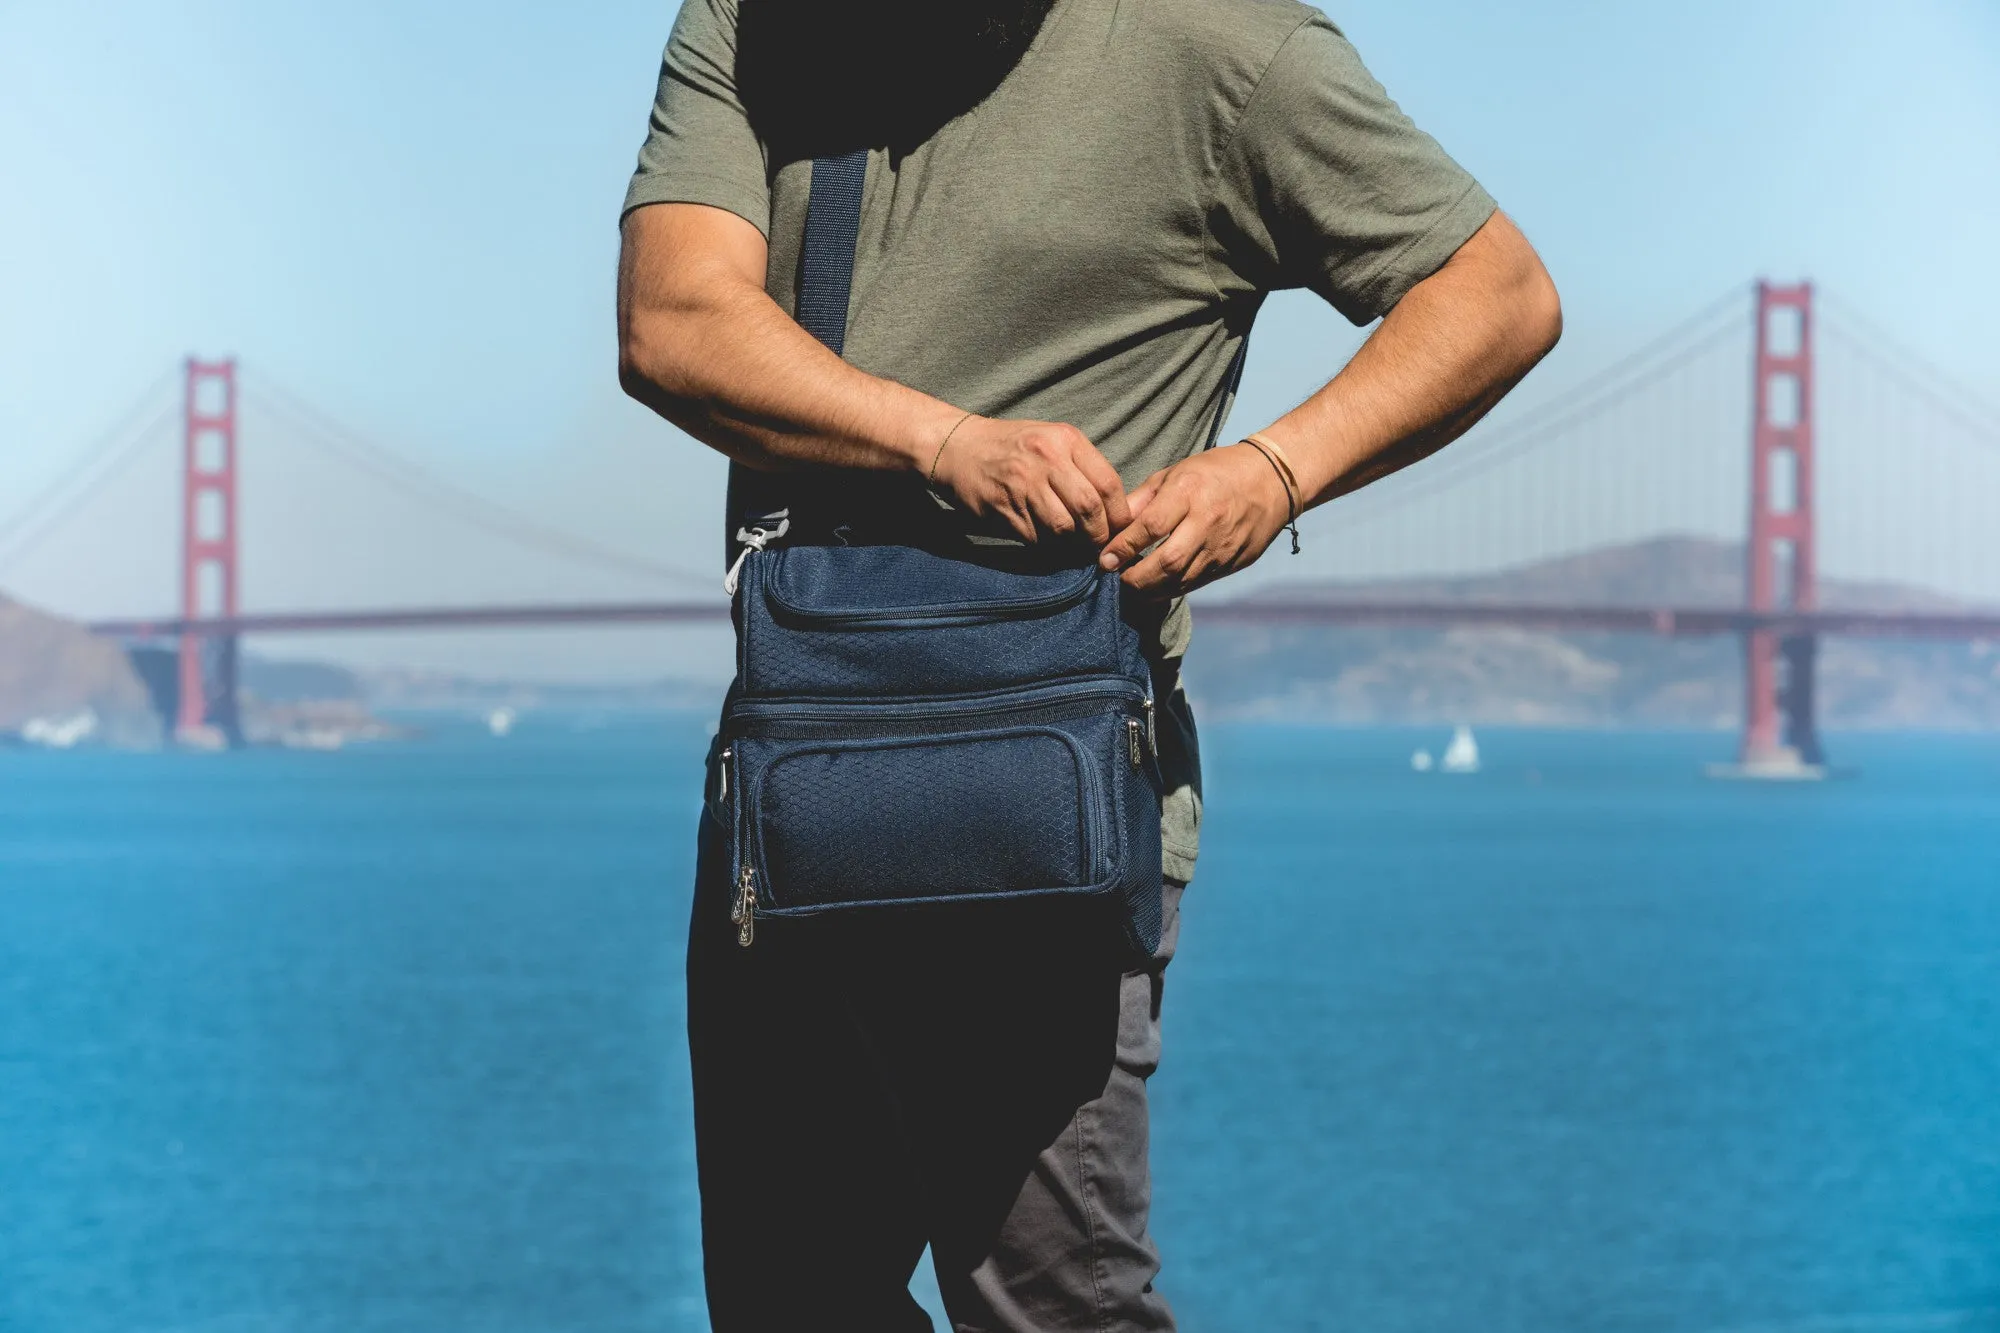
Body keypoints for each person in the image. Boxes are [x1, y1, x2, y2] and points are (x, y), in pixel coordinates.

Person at [616, 1, 1560, 1327]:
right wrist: (943, 443)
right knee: (790, 1302)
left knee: (1052, 1311)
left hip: (1041, 805)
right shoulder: (757, 14)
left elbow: (1498, 292)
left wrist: (1276, 472)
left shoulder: (1221, 45)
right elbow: (673, 321)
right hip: (792, 784)